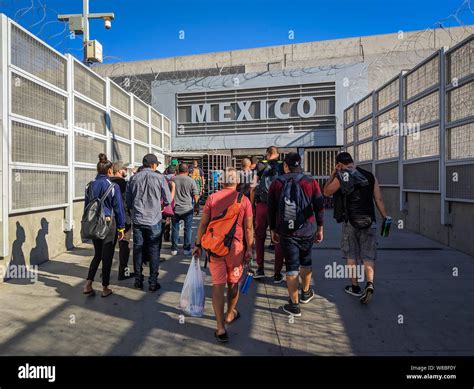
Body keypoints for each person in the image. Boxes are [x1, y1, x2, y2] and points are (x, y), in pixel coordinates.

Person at [193, 167, 254, 343]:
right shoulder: (244, 201)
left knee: (217, 286)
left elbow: (203, 224)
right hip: (235, 249)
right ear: (237, 182)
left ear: (222, 181)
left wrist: (198, 245)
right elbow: (249, 227)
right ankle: (229, 314)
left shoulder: (212, 198)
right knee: (233, 282)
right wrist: (249, 249)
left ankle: (220, 328)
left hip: (214, 247)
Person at [323, 152, 389, 304]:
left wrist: (333, 175)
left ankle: (355, 287)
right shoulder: (370, 176)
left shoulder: (342, 176)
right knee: (368, 256)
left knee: (351, 255)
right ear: (353, 161)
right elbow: (378, 198)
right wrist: (385, 216)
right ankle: (370, 284)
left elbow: (326, 192)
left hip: (350, 222)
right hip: (369, 221)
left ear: (339, 164)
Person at [267, 152, 324, 316]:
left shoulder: (277, 183)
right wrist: (320, 228)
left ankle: (294, 305)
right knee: (306, 262)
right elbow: (319, 207)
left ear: (285, 166)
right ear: (300, 165)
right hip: (307, 230)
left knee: (291, 266)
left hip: (286, 231)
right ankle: (306, 293)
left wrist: (273, 230)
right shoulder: (311, 182)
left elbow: (271, 209)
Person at [126, 154, 172, 292]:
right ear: (153, 165)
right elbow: (168, 199)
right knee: (153, 249)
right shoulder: (160, 178)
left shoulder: (133, 178)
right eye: (156, 164)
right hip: (154, 219)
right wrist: (160, 204)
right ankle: (153, 282)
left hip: (138, 219)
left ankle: (138, 281)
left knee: (138, 248)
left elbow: (128, 201)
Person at [83, 154, 125, 298]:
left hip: (94, 222)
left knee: (97, 254)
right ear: (109, 171)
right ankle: (105, 287)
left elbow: (87, 207)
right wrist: (121, 227)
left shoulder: (89, 185)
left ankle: (88, 284)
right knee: (107, 256)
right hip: (108, 223)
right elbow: (118, 208)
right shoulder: (113, 186)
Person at [250, 146, 285, 283]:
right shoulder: (283, 166)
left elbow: (253, 188)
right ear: (277, 154)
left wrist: (253, 206)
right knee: (278, 239)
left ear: (267, 154)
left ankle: (260, 268)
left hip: (262, 206)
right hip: (278, 207)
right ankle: (277, 273)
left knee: (259, 237)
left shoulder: (259, 166)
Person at [109, 161, 134, 280]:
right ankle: (123, 272)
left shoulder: (107, 182)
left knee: (108, 247)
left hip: (109, 219)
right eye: (124, 169)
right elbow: (128, 201)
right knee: (124, 247)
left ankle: (106, 272)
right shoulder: (124, 184)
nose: (126, 171)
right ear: (119, 170)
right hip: (124, 218)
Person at [171, 163, 199, 256]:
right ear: (187, 171)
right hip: (187, 209)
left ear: (179, 170)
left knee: (175, 228)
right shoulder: (191, 181)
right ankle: (187, 249)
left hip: (175, 208)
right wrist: (196, 206)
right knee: (188, 229)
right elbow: (195, 195)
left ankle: (174, 249)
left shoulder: (173, 179)